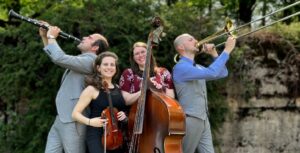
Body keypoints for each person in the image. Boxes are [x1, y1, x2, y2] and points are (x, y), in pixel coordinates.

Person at [39, 22, 109, 153]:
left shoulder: (92, 61)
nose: (84, 37)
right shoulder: (82, 59)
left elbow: (59, 58)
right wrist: (45, 37)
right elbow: (56, 57)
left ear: (95, 48)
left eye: (90, 38)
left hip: (74, 120)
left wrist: (52, 37)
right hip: (61, 117)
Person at [172, 33, 236, 153]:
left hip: (203, 119)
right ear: (181, 47)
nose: (196, 40)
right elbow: (212, 73)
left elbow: (222, 73)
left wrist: (214, 54)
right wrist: (227, 50)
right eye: (191, 40)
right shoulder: (180, 68)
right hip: (191, 119)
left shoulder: (198, 67)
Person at [72, 51, 128, 153]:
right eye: (105, 64)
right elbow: (75, 114)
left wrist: (124, 115)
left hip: (116, 136)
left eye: (112, 65)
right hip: (96, 135)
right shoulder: (91, 89)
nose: (109, 67)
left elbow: (122, 110)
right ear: (98, 68)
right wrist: (90, 122)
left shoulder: (118, 88)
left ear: (116, 68)